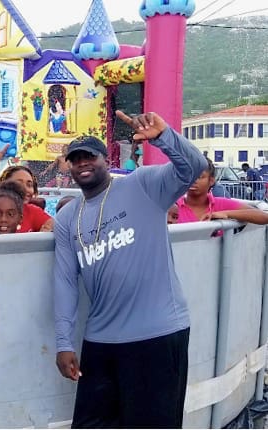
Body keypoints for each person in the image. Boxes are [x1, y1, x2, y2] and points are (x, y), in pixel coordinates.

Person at [53, 111, 208, 428]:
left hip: (157, 334)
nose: (83, 163)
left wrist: (164, 136)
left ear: (104, 158)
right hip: (101, 339)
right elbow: (65, 282)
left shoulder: (143, 184)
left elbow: (193, 167)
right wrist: (64, 342)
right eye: (76, 159)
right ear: (69, 166)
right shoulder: (68, 219)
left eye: (90, 157)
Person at [176, 158, 268, 225]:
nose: (193, 180)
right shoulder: (173, 206)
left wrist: (226, 213)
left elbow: (263, 217)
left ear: (211, 181)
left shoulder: (220, 204)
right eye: (189, 176)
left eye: (199, 177)